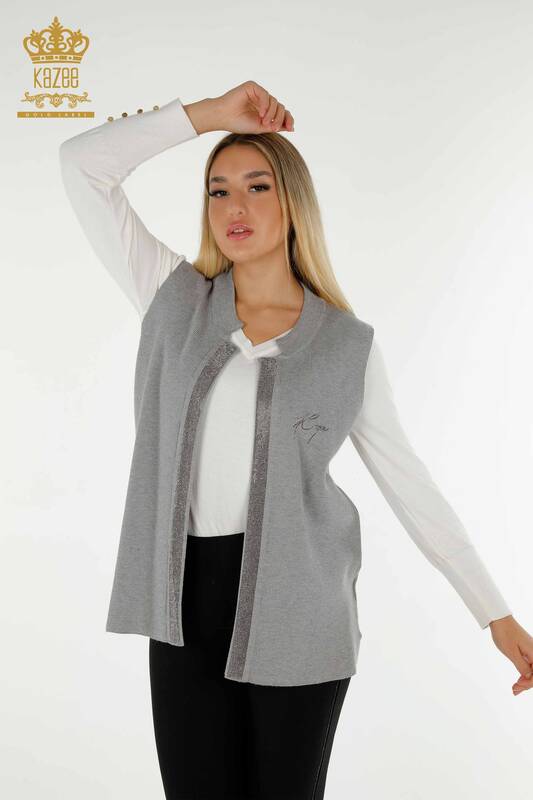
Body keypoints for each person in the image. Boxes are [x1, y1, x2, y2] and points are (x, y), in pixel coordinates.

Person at [59, 80, 533, 800]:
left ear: (293, 203)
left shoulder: (345, 345)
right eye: (218, 191)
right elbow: (81, 163)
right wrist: (210, 116)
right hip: (183, 605)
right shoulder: (171, 297)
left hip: (300, 607)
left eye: (257, 186)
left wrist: (494, 614)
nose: (236, 207)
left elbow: (410, 485)